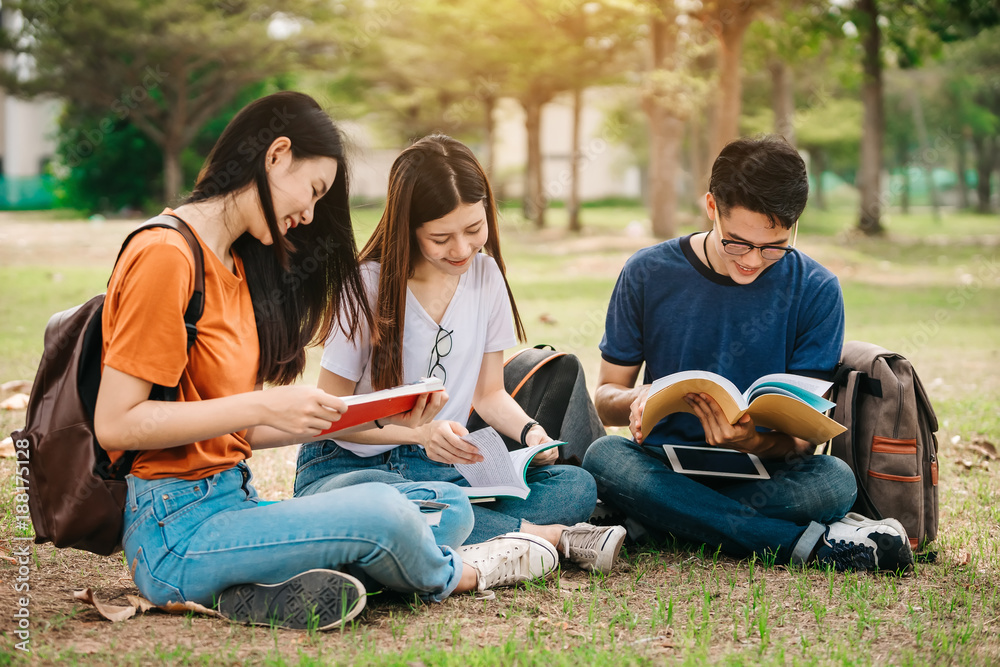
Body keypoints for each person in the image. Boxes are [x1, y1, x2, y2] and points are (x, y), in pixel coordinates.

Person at [95, 92, 560, 633]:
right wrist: (268, 401)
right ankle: (467, 572)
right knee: (387, 516)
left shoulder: (235, 265)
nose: (310, 214)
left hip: (234, 502)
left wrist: (359, 420)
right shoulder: (164, 254)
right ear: (277, 155)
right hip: (174, 530)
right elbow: (117, 423)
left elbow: (230, 432)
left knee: (449, 508)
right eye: (314, 190)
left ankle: (257, 587)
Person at [294, 135, 626, 575]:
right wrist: (417, 435)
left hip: (441, 467)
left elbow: (489, 395)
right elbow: (333, 418)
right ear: (407, 228)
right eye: (441, 237)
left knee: (575, 487)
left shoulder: (486, 276)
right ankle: (550, 538)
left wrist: (531, 435)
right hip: (351, 464)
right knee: (405, 501)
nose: (462, 250)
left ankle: (450, 537)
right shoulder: (365, 286)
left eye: (474, 230)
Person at [582, 135, 914, 573]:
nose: (753, 261)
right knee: (603, 459)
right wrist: (640, 398)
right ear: (711, 208)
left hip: (763, 474)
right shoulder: (647, 272)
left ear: (795, 224)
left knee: (834, 483)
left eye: (774, 246)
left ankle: (656, 520)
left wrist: (751, 440)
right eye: (737, 242)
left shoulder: (816, 289)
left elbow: (803, 438)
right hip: (664, 466)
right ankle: (801, 545)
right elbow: (606, 399)